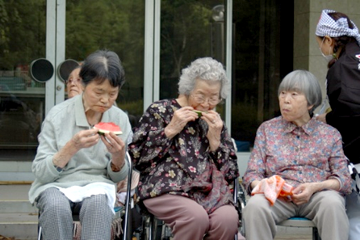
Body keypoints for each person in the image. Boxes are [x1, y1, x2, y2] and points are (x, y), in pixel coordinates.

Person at [129, 57, 240, 240]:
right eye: (200, 95)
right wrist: (170, 130)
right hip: (165, 188)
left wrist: (215, 144)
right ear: (188, 90)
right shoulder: (160, 110)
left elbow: (231, 174)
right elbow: (136, 157)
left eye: (213, 98)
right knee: (195, 218)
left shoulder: (215, 122)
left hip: (208, 191)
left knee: (228, 219)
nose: (206, 103)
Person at [28, 50, 132, 239]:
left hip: (99, 185)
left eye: (113, 94)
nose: (105, 100)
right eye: (99, 92)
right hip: (55, 184)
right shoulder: (58, 115)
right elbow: (41, 172)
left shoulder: (120, 119)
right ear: (83, 85)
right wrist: (71, 148)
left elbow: (118, 178)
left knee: (99, 204)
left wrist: (118, 158)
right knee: (55, 205)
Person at [242, 70, 352, 240]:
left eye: (294, 94)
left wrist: (314, 187)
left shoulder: (330, 134)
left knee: (333, 204)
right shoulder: (267, 129)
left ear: (310, 103)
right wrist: (265, 184)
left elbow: (343, 180)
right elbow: (252, 174)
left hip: (317, 195)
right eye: (283, 93)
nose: (285, 100)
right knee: (255, 205)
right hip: (278, 197)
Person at [315, 9, 360, 240]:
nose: (320, 49)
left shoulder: (343, 68)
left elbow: (353, 109)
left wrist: (327, 119)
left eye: (319, 42)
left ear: (329, 40)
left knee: (354, 217)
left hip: (357, 152)